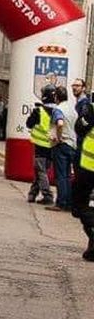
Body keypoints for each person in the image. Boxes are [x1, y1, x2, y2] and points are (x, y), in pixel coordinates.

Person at [25, 85, 56, 205]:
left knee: (41, 171)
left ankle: (47, 195)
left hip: (41, 145)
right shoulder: (58, 110)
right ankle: (32, 194)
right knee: (40, 170)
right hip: (52, 145)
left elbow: (29, 124)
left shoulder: (39, 111)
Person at [48, 85, 77, 212]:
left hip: (62, 144)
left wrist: (59, 137)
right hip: (72, 144)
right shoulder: (72, 110)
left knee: (60, 175)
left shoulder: (58, 109)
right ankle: (69, 203)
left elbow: (59, 123)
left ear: (56, 97)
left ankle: (60, 203)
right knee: (68, 175)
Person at [74, 86, 94, 261]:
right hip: (87, 168)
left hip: (89, 169)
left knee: (79, 206)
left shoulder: (91, 111)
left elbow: (79, 128)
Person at [72, 79, 92, 173]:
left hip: (81, 144)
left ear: (83, 88)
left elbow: (83, 125)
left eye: (77, 86)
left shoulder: (84, 104)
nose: (74, 88)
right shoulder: (79, 103)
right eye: (73, 85)